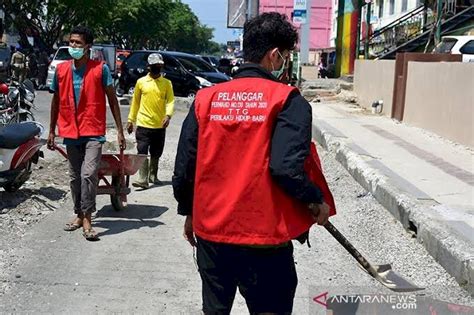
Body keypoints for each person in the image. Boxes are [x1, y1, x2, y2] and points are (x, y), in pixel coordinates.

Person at [173, 12, 330, 314]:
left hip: (212, 235)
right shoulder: (287, 100)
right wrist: (315, 200)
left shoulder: (206, 99)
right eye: (286, 56)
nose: (285, 62)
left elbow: (184, 170)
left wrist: (189, 212)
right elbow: (286, 169)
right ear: (274, 55)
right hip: (263, 240)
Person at [46, 26, 126, 241]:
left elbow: (112, 99)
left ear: (88, 46)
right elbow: (55, 100)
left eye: (78, 43)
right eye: (71, 42)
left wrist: (119, 130)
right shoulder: (62, 70)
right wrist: (52, 131)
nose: (73, 46)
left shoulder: (100, 69)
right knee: (74, 177)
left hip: (93, 131)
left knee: (88, 174)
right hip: (70, 131)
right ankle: (79, 214)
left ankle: (88, 218)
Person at [126, 53, 174, 189]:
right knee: (142, 150)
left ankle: (153, 175)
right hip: (143, 123)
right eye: (155, 66)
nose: (157, 68)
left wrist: (168, 115)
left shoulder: (166, 84)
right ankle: (142, 179)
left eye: (159, 65)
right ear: (149, 67)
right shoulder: (141, 82)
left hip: (159, 124)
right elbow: (135, 102)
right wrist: (131, 120)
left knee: (156, 151)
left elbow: (170, 101)